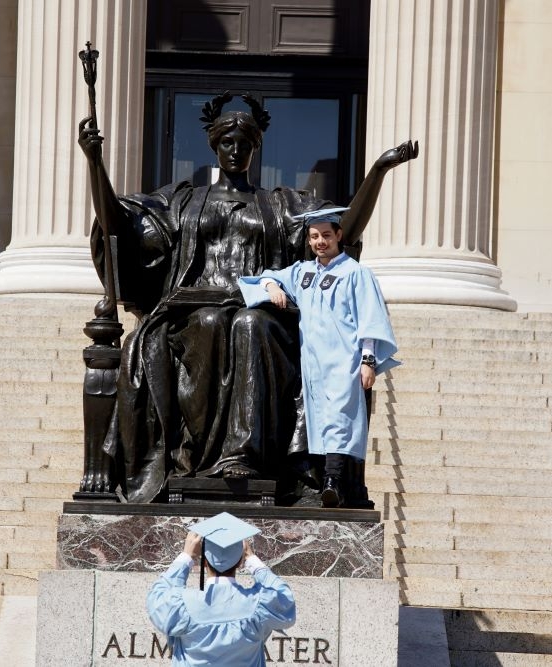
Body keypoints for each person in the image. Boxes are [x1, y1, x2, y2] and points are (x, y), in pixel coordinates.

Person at [78, 90, 417, 504]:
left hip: (262, 313)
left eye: (244, 143)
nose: (235, 150)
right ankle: (195, 458)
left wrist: (377, 172)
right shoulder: (182, 201)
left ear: (256, 148)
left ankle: (241, 456)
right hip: (193, 309)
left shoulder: (280, 204)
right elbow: (118, 229)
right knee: (208, 322)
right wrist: (95, 164)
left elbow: (343, 227)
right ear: (214, 146)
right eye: (227, 142)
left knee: (248, 323)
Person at [239, 209, 400, 508]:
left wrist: (368, 361)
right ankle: (323, 480)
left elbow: (370, 319)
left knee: (340, 417)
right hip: (312, 362)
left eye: (326, 235)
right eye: (314, 236)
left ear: (339, 235)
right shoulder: (303, 272)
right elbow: (265, 277)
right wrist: (273, 287)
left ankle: (333, 482)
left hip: (344, 358)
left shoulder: (355, 273)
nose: (320, 242)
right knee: (319, 419)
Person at [147, 512, 295, 666]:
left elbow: (156, 598)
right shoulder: (258, 606)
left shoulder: (184, 606)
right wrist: (253, 561)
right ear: (240, 563)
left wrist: (186, 557)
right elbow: (284, 598)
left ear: (204, 562)